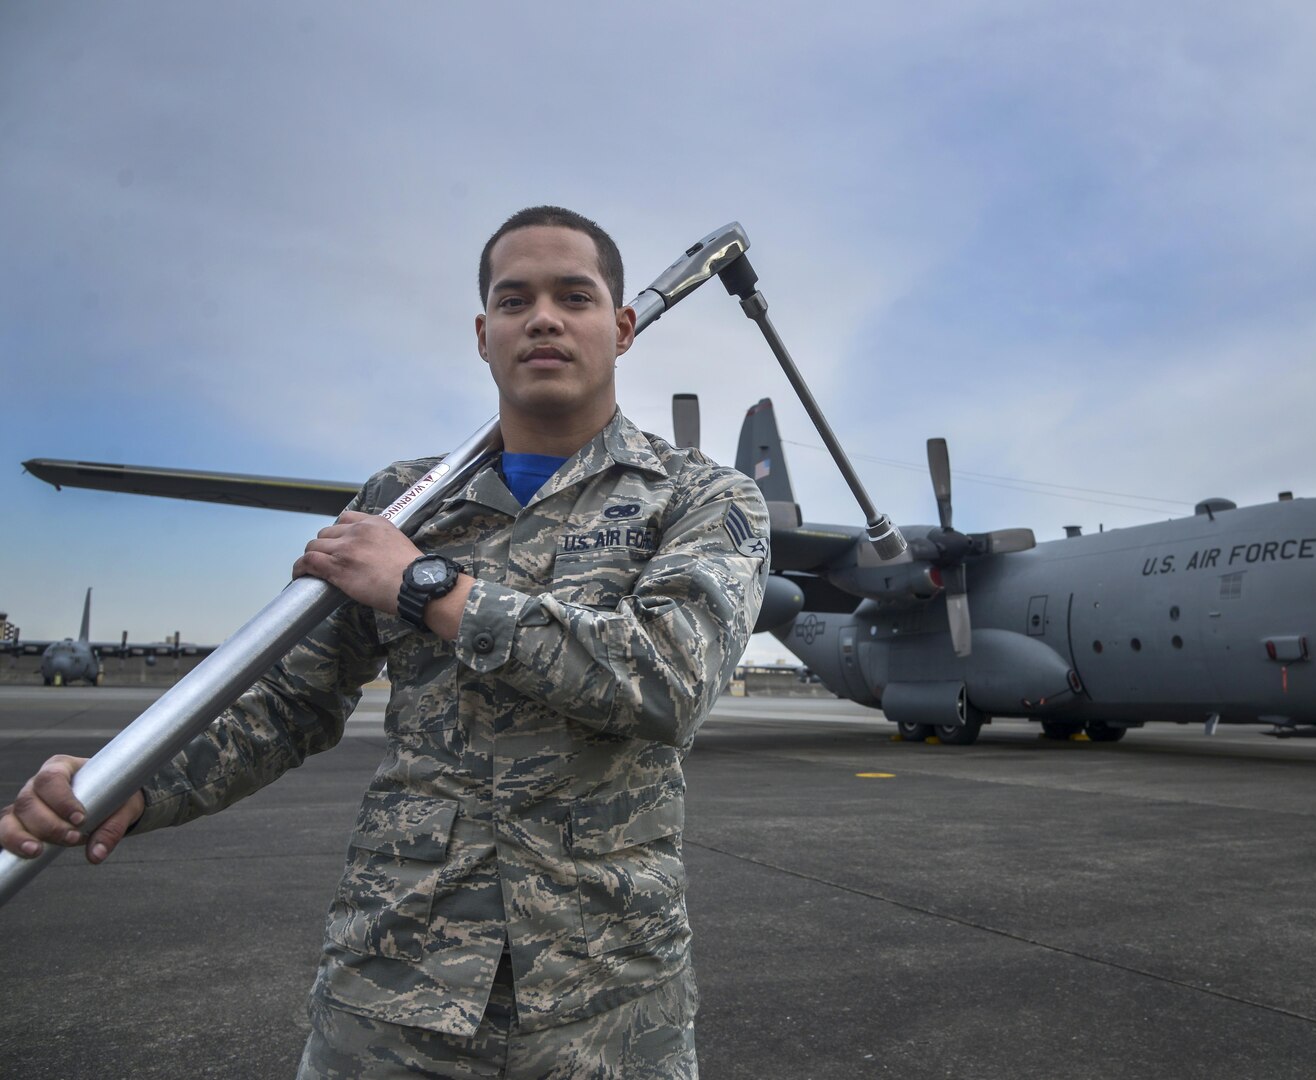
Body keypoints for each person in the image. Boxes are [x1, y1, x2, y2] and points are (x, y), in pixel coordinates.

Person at [0, 206, 770, 1078]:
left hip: (608, 998)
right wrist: (133, 784)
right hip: (396, 978)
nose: (544, 318)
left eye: (575, 296)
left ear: (622, 327)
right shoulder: (401, 502)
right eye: (514, 300)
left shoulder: (704, 497)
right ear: (484, 334)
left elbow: (666, 679)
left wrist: (425, 586)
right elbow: (289, 700)